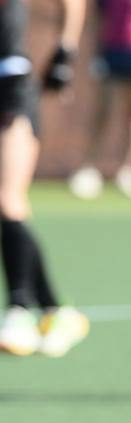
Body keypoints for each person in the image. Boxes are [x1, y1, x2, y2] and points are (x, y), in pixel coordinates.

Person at [0, 0, 90, 358]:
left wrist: (65, 52)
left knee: (7, 198)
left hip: (10, 86)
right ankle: (56, 310)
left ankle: (19, 310)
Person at [67, 0, 131, 200]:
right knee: (102, 114)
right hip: (112, 52)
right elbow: (98, 21)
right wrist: (96, 55)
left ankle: (129, 171)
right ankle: (89, 169)